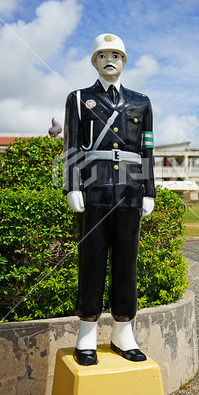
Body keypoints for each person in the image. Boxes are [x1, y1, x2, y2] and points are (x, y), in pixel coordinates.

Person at [63, 33, 156, 366]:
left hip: (131, 189)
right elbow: (72, 145)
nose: (110, 59)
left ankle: (123, 330)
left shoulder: (141, 102)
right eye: (103, 55)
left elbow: (147, 149)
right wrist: (72, 185)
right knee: (92, 260)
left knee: (126, 262)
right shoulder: (78, 99)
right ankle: (86, 331)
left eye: (116, 54)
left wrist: (149, 189)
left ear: (125, 60)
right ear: (95, 61)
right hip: (95, 187)